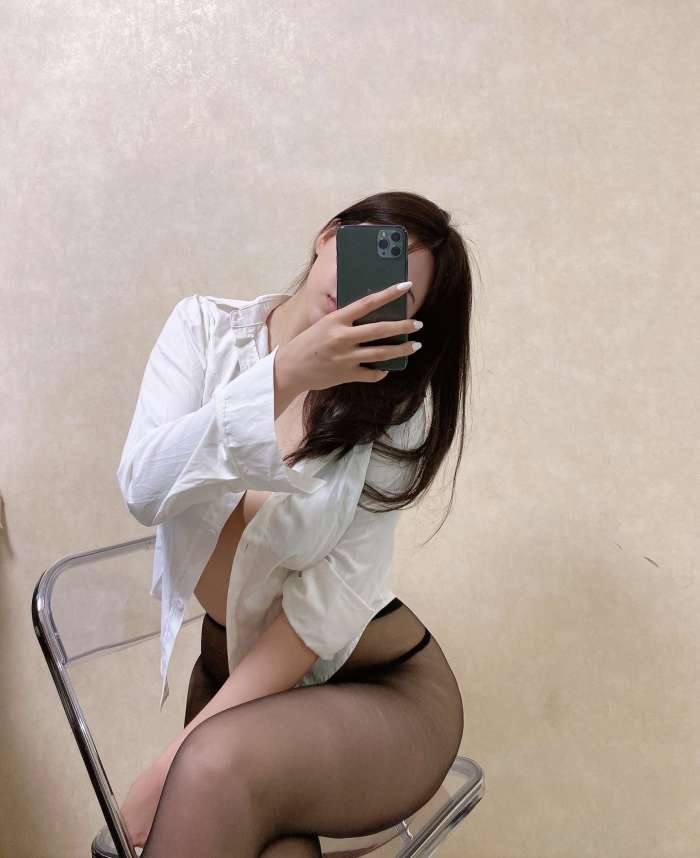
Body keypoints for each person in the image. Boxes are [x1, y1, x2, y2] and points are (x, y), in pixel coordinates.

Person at [99, 190, 474, 858]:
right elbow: (144, 488)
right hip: (240, 680)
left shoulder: (393, 408)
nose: (364, 296)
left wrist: (166, 765)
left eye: (395, 297)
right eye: (369, 262)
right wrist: (286, 375)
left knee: (206, 772)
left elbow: (324, 608)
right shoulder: (204, 332)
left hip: (379, 689)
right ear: (329, 236)